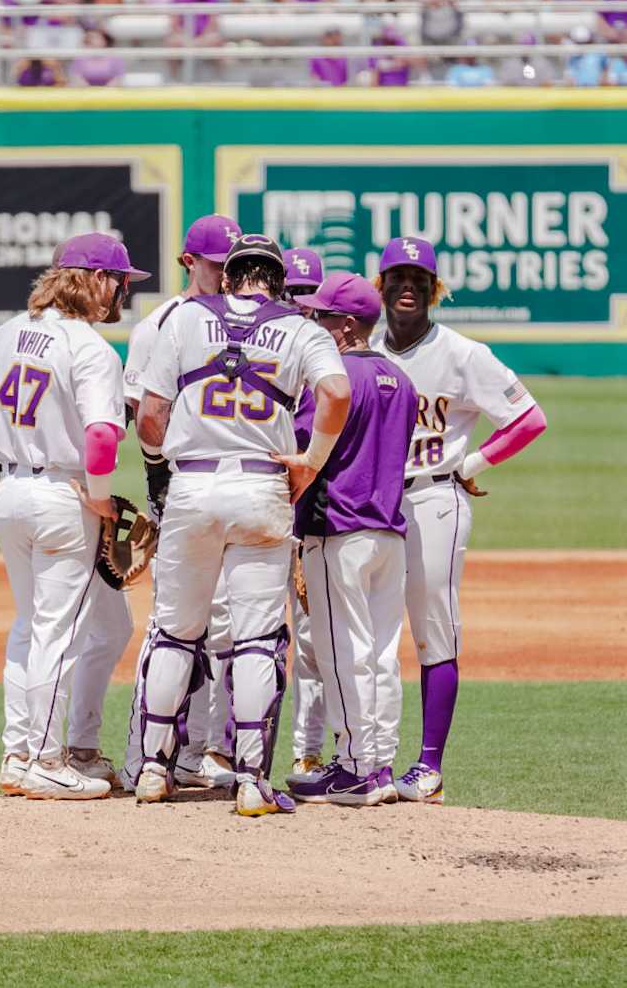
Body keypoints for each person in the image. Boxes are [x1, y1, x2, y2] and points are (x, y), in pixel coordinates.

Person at [133, 234, 351, 817]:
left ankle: (155, 769)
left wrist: (162, 468)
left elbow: (150, 415)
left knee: (175, 630)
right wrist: (312, 459)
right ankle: (252, 780)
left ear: (228, 278)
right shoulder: (302, 328)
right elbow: (336, 391)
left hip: (193, 484)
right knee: (256, 639)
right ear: (278, 281)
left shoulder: (182, 320)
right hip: (263, 485)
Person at [0, 233, 148, 800]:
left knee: (55, 624)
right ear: (92, 279)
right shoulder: (88, 348)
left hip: (13, 495)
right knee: (56, 631)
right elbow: (99, 435)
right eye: (118, 281)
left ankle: (23, 754)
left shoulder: (8, 332)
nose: (123, 293)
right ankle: (43, 758)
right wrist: (98, 496)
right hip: (64, 498)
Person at [375, 237, 546, 804]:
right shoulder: (364, 346)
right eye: (397, 277)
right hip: (369, 505)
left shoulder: (463, 353)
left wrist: (469, 463)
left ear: (434, 289)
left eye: (418, 279)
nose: (407, 287)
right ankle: (362, 761)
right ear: (380, 286)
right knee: (366, 636)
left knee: (434, 630)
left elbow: (528, 418)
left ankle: (428, 767)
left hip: (434, 502)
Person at [114, 214, 246, 794]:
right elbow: (139, 412)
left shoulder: (253, 319)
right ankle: (146, 752)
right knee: (174, 628)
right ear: (190, 263)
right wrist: (156, 480)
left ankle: (201, 753)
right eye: (222, 267)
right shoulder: (160, 323)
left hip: (236, 493)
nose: (233, 278)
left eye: (240, 267)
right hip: (181, 490)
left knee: (229, 628)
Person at [283, 273, 417, 806]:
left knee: (344, 653)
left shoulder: (337, 377)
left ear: (344, 325)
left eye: (320, 317)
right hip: (390, 533)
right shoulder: (401, 378)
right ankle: (379, 760)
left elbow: (302, 444)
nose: (312, 323)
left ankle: (355, 765)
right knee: (382, 653)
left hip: (338, 530)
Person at [281, 247, 328, 783]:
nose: (299, 307)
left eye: (307, 299)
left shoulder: (324, 365)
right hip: (256, 519)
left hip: (308, 524)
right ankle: (220, 752)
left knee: (314, 645)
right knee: (239, 637)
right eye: (291, 295)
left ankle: (308, 753)